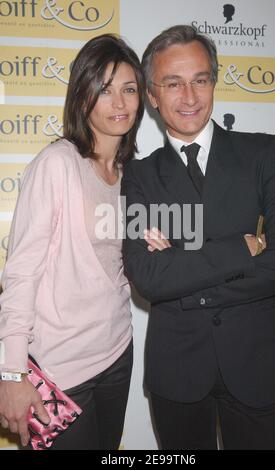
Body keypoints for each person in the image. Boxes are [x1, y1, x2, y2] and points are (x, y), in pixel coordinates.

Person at [121, 25, 275, 450]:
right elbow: (148, 277)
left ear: (214, 82)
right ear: (151, 94)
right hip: (177, 370)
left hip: (258, 361)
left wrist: (181, 277)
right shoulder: (138, 176)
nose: (190, 97)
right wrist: (244, 248)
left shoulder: (266, 152)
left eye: (200, 80)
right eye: (173, 83)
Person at [0, 34, 145, 450]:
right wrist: (11, 373)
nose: (119, 103)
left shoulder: (132, 173)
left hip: (118, 352)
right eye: (104, 89)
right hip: (59, 370)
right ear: (82, 96)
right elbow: (21, 273)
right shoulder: (58, 164)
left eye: (128, 89)